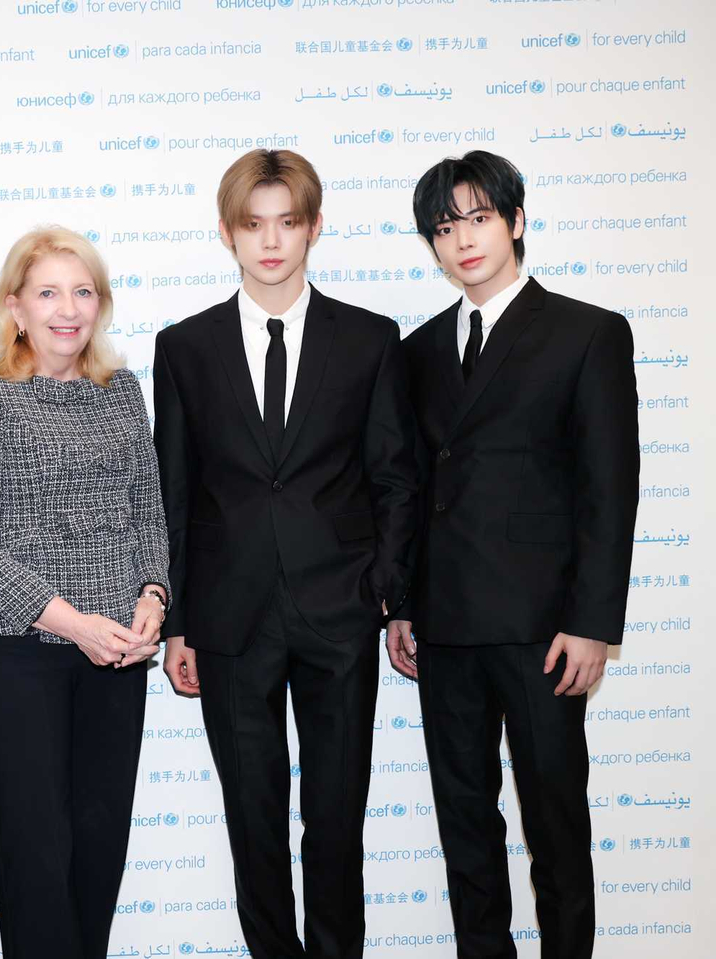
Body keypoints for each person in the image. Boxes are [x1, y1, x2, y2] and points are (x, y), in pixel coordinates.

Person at [153, 148, 421, 959]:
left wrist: (384, 590)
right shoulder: (185, 345)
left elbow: (395, 477)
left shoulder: (371, 338)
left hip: (338, 613)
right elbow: (175, 490)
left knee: (337, 818)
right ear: (228, 233)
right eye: (252, 224)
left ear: (312, 228)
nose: (270, 241)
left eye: (287, 222)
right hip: (229, 620)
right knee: (253, 820)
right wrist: (178, 621)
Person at [391, 150, 639, 959]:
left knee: (555, 826)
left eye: (477, 218)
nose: (461, 239)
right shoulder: (419, 348)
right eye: (443, 227)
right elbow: (409, 486)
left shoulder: (586, 331)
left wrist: (592, 623)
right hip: (445, 627)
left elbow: (609, 489)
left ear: (515, 221)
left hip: (543, 632)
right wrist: (399, 604)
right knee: (465, 825)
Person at [0, 226, 169, 959]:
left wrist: (153, 597)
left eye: (81, 291)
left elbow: (147, 511)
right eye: (47, 293)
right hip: (18, 656)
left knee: (98, 851)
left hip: (118, 656)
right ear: (15, 307)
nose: (66, 309)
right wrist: (75, 624)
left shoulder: (122, 389)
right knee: (36, 858)